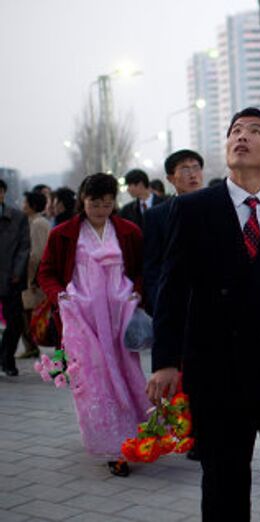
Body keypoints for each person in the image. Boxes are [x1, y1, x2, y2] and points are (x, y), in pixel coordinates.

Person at [146, 107, 260, 521]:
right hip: (216, 367)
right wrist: (165, 363)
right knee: (224, 481)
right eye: (235, 131)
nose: (240, 137)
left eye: (254, 131)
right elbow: (171, 291)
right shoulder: (193, 209)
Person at [37, 173, 148, 477]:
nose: (101, 210)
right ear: (82, 201)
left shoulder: (128, 231)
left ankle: (136, 435)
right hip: (82, 320)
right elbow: (46, 272)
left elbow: (141, 268)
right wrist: (59, 295)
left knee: (127, 375)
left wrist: (138, 290)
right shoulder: (63, 234)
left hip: (119, 318)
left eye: (108, 204)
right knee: (94, 382)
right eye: (94, 203)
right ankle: (111, 446)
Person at [143, 149, 205, 316]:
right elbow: (152, 267)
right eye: (185, 169)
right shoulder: (156, 216)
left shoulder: (221, 208)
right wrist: (160, 304)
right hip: (176, 305)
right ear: (171, 178)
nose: (193, 175)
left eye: (196, 168)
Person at [0, 179, 31, 376]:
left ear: (3, 193)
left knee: (16, 322)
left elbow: (24, 247)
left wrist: (17, 272)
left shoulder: (18, 217)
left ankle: (7, 358)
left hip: (10, 278)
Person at [18, 191, 52, 359]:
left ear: (32, 205)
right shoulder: (32, 221)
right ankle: (31, 346)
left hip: (34, 278)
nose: (22, 206)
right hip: (32, 277)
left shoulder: (38, 223)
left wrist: (31, 276)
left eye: (25, 202)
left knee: (29, 313)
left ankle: (32, 346)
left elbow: (37, 253)